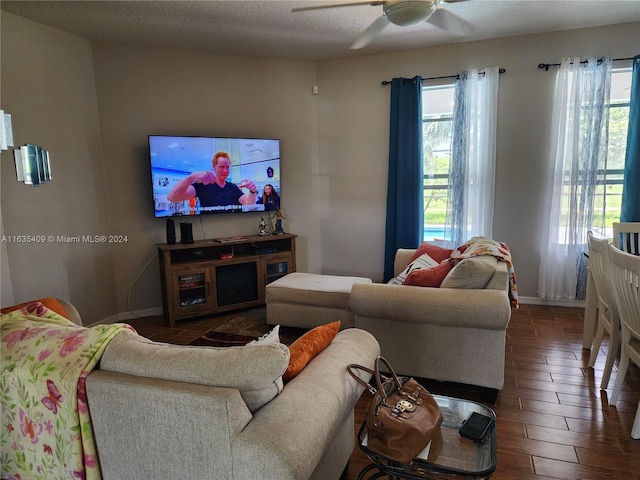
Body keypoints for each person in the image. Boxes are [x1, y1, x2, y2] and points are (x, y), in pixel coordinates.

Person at [167, 151, 257, 209]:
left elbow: (248, 205)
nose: (225, 171)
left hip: (234, 228)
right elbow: (172, 197)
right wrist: (191, 177)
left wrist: (252, 192)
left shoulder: (233, 187)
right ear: (214, 167)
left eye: (227, 167)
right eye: (221, 167)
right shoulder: (202, 185)